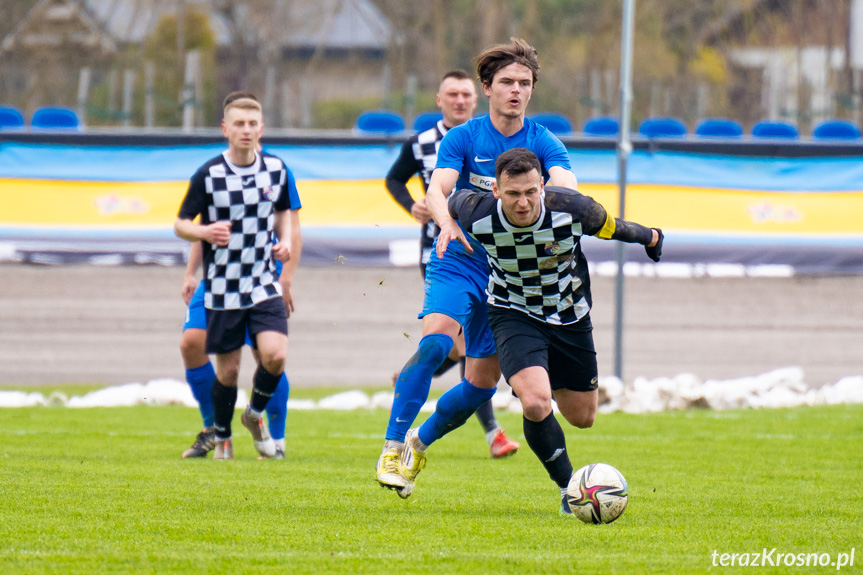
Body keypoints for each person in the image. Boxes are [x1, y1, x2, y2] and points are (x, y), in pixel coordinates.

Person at [376, 37, 578, 497]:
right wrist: (446, 222)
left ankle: (416, 444)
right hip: (457, 259)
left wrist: (570, 202)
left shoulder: (543, 141)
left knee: (480, 386)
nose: (516, 90)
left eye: (524, 83)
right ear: (487, 88)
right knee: (434, 344)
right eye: (507, 81)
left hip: (508, 276)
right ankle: (390, 446)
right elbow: (438, 187)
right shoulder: (463, 137)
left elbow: (566, 184)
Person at [419, 147, 663, 513]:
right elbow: (448, 201)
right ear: (497, 192)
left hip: (570, 317)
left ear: (543, 187)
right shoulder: (477, 209)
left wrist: (652, 238)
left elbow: (613, 226)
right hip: (512, 312)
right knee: (535, 402)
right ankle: (569, 490)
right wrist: (447, 224)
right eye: (513, 194)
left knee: (582, 417)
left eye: (531, 192)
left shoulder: (575, 209)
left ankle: (537, 391)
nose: (523, 202)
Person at [384, 70, 519, 460]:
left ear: (475, 99)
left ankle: (421, 373)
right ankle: (492, 431)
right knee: (451, 343)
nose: (459, 101)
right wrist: (412, 205)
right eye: (452, 95)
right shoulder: (424, 142)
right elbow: (394, 180)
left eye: (465, 95)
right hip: (443, 254)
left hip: (497, 261)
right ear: (438, 100)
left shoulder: (499, 143)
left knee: (467, 356)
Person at [180, 92, 302, 461]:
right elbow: (196, 225)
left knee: (273, 355)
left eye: (252, 124)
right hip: (221, 284)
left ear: (261, 127)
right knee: (217, 361)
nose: (247, 131)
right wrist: (191, 271)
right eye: (239, 124)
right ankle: (218, 433)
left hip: (264, 280)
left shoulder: (278, 169)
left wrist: (286, 272)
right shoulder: (210, 174)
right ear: (225, 129)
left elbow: (290, 223)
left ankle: (266, 429)